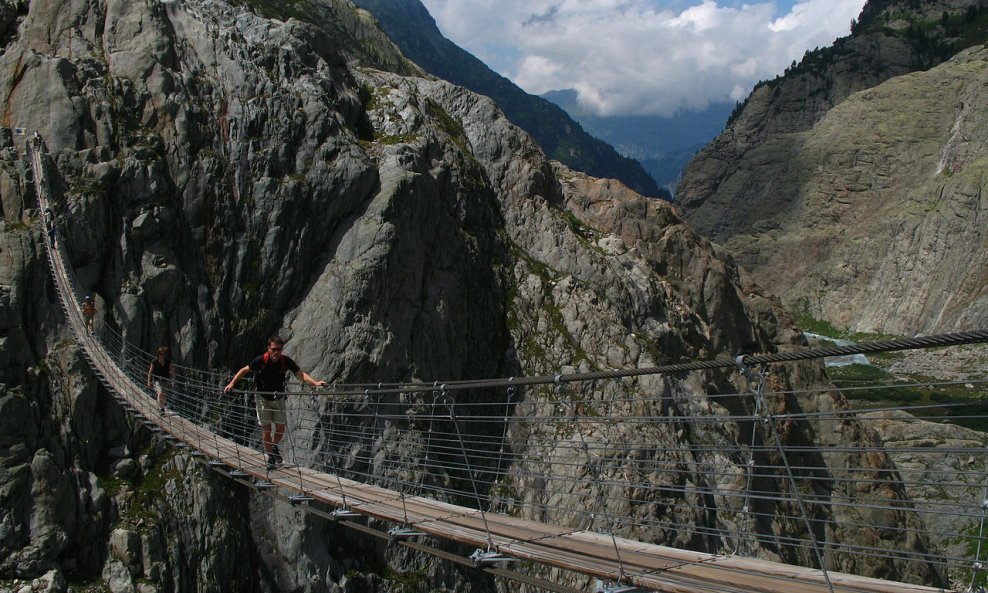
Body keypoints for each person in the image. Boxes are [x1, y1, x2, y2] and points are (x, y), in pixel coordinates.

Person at [224, 336, 326, 469]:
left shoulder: (285, 361)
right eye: (273, 349)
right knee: (266, 431)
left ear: (281, 349)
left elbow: (300, 374)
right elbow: (244, 370)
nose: (276, 352)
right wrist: (232, 383)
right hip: (262, 398)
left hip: (278, 398)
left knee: (280, 429)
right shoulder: (261, 360)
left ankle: (272, 448)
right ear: (268, 349)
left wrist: (315, 383)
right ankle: (271, 457)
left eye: (278, 349)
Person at [147, 346, 175, 412]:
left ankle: (162, 407)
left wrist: (173, 381)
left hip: (166, 380)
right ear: (158, 354)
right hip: (157, 380)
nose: (162, 356)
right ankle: (161, 408)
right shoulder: (154, 362)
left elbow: (172, 372)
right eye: (161, 354)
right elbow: (150, 372)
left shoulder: (168, 362)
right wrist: (149, 382)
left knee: (164, 395)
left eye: (164, 354)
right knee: (160, 393)